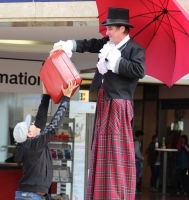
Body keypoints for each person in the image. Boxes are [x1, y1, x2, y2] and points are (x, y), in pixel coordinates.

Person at [50, 7, 145, 200]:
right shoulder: (107, 44)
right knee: (101, 147)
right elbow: (90, 44)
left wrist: (117, 61)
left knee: (116, 152)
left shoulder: (135, 49)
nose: (107, 32)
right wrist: (70, 44)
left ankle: (116, 194)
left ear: (122, 29)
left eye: (111, 28)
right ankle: (101, 192)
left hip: (119, 104)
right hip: (103, 100)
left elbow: (139, 71)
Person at [13, 81, 78, 200]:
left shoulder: (28, 144)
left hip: (30, 195)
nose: (33, 123)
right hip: (31, 197)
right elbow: (53, 127)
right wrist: (66, 99)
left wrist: (46, 96)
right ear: (29, 134)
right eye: (30, 124)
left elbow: (40, 120)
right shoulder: (33, 145)